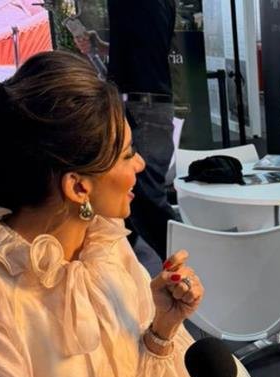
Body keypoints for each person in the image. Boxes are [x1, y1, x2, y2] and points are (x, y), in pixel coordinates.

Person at [0, 51, 280, 377]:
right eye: (128, 154)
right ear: (78, 186)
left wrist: (161, 328)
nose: (140, 165)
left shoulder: (104, 247)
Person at [75, 0, 178, 260]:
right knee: (130, 198)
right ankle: (117, 271)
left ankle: (191, 263)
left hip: (142, 105)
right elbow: (145, 46)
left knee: (142, 197)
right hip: (143, 103)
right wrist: (101, 47)